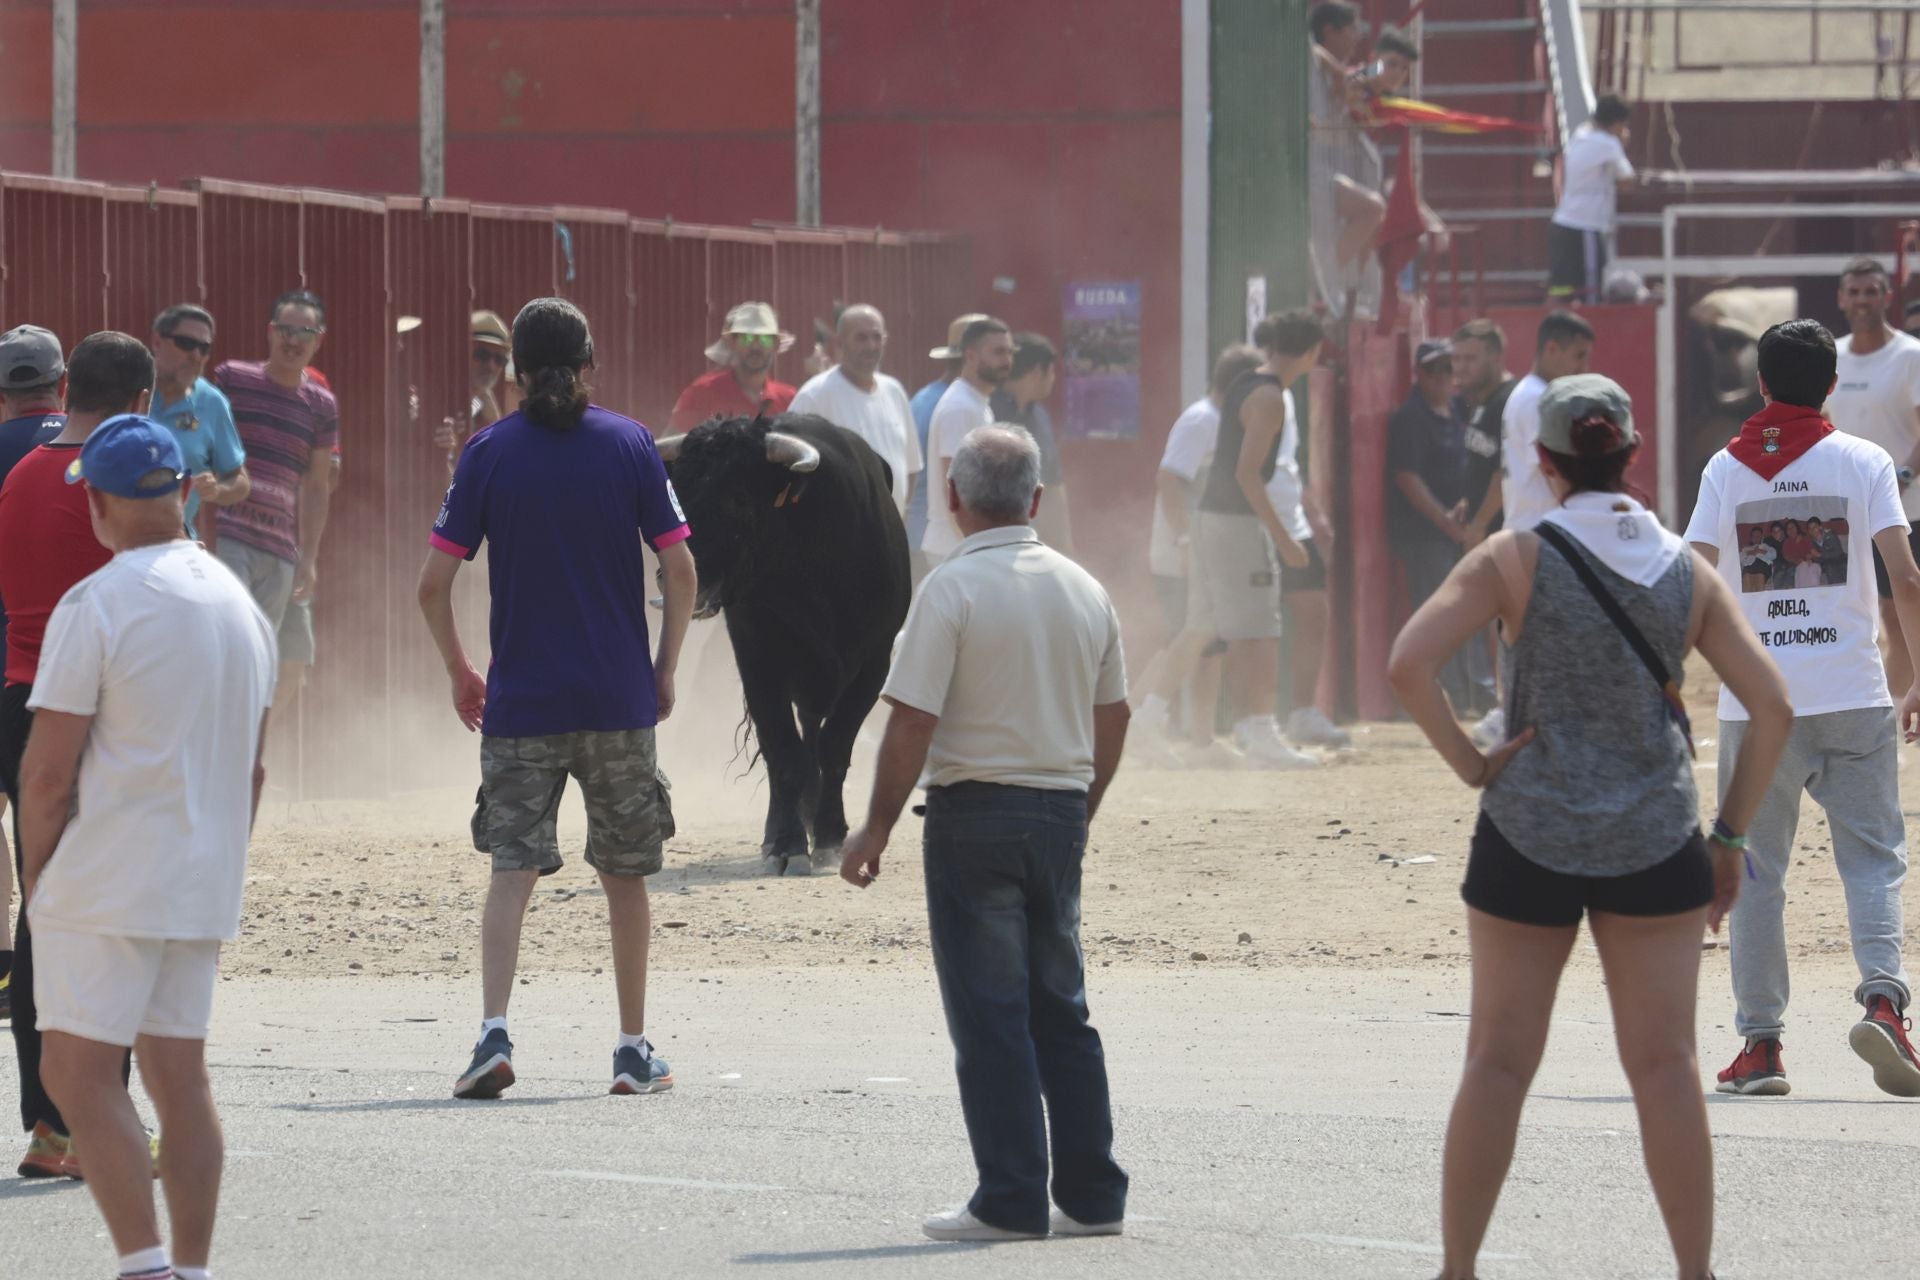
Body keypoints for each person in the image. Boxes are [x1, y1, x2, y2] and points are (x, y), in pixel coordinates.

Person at [1389, 373, 1793, 1280]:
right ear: (1632, 453)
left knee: (1497, 1062)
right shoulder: (1685, 570)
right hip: (1655, 839)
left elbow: (1408, 664)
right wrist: (1727, 838)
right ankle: (1695, 1272)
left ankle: (1459, 1270)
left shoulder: (1513, 555)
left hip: (1527, 830)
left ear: (1545, 459)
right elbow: (1770, 705)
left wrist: (1471, 762)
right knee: (1667, 1064)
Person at [838, 424, 1130, 1243]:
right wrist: (1084, 804)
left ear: (954, 498)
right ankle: (1093, 1194)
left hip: (973, 818)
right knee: (1061, 1008)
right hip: (1058, 810)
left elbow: (912, 722)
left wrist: (876, 827)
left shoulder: (949, 590)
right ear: (1035, 501)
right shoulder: (1085, 588)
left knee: (990, 1012)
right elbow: (1116, 716)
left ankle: (1009, 1198)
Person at [418, 298, 696, 1101]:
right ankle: (632, 1049)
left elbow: (433, 585)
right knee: (625, 875)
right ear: (589, 363)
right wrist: (666, 664)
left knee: (512, 869)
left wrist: (460, 672)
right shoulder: (631, 444)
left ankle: (493, 1035)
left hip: (522, 701)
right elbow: (680, 568)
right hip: (616, 698)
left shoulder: (488, 453)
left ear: (514, 369)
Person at [26, 415, 274, 1280]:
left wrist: (36, 876)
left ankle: (144, 1264)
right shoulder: (242, 607)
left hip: (108, 872)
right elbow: (253, 770)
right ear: (181, 491)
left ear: (97, 502)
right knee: (181, 1078)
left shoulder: (95, 604)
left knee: (75, 1070)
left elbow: (49, 772)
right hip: (200, 873)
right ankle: (192, 1268)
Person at [1685, 317, 1920, 1099]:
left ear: (1759, 384)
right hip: (1854, 691)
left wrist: (1671, 675)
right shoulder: (1865, 460)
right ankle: (1884, 1003)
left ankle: (1761, 1047)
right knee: (1873, 855)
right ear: (1832, 385)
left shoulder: (1725, 468)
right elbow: (1905, 579)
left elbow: (1694, 578)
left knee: (1754, 870)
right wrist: (1918, 675)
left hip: (1758, 706)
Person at [0, 330, 154, 1179]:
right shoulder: (118, 477)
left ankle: (48, 1126)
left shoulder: (20, 476)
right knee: (113, 916)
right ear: (137, 403)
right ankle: (101, 1119)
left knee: (43, 910)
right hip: (96, 709)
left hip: (19, 702)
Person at [1134, 309, 1325, 769]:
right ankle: (1259, 732)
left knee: (1202, 623)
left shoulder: (1246, 384)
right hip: (1237, 525)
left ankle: (1146, 717)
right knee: (1261, 627)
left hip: (1212, 522)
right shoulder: (1270, 397)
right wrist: (1282, 538)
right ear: (1312, 353)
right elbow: (1246, 475)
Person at [1136, 344, 1263, 766]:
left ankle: (1202, 741)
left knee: (1209, 644)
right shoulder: (1200, 421)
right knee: (1185, 639)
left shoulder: (1225, 423)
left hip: (1210, 553)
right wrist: (1186, 545)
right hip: (1182, 554)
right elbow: (1169, 481)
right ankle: (1141, 725)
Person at [212, 290, 338, 698]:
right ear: (270, 332)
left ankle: (244, 756)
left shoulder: (321, 405)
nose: (294, 340)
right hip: (227, 536)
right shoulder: (231, 379)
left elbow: (318, 486)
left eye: (305, 331)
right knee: (224, 648)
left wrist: (310, 556)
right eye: (286, 329)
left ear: (319, 340)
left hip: (280, 553)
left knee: (258, 660)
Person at [0, 324, 67, 1020]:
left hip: (3, 664)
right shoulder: (89, 450)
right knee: (48, 827)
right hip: (64, 677)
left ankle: (1, 966)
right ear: (61, 384)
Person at [1827, 258, 1920, 695]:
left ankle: (1895, 709)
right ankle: (1894, 708)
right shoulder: (1833, 356)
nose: (1863, 300)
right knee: (1876, 617)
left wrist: (1901, 475)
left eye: (1871, 291)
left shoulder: (1910, 356)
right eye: (1855, 291)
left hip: (1908, 509)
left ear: (1887, 296)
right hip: (1845, 512)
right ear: (1841, 298)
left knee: (1902, 610)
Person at [1387, 340, 1471, 707]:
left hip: (1452, 531)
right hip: (1425, 534)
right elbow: (1408, 478)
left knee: (1454, 612)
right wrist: (1444, 521)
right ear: (1419, 373)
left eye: (1447, 369)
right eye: (1433, 370)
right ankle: (1440, 693)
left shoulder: (1455, 410)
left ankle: (1460, 691)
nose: (1441, 377)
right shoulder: (1411, 417)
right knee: (1438, 614)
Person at [787, 304, 923, 517]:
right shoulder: (815, 396)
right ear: (840, 343)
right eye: (861, 338)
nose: (870, 345)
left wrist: (900, 516)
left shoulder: (894, 391)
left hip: (889, 538)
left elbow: (911, 467)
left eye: (876, 337)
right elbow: (789, 471)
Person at [147, 305, 249, 541]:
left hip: (175, 540)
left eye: (204, 348)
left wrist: (217, 490)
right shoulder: (128, 388)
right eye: (185, 343)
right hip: (118, 539)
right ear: (157, 341)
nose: (195, 355)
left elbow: (240, 481)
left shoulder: (212, 403)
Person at [921, 317, 1013, 566]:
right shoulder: (960, 408)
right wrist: (978, 550)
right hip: (957, 550)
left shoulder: (976, 403)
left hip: (964, 548)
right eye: (997, 352)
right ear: (971, 356)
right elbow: (956, 487)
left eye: (1008, 352)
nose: (1007, 361)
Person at [907, 315, 984, 581]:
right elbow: (953, 482)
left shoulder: (927, 398)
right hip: (940, 540)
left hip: (924, 535)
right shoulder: (953, 405)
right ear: (971, 357)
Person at [990, 333, 1076, 555]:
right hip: (991, 538)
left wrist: (1064, 546)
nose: (1054, 379)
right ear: (1037, 371)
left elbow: (1053, 485)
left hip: (1029, 540)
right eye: (1052, 371)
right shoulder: (986, 410)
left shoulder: (1040, 418)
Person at [1548, 94, 1636, 304]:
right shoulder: (1607, 143)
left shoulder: (1581, 134)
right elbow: (1627, 182)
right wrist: (1621, 145)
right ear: (1617, 123)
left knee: (1560, 291)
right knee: (1591, 292)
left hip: (1563, 223)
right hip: (1585, 227)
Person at [667, 301, 797, 433]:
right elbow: (667, 448)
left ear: (775, 345)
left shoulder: (790, 400)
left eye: (765, 339)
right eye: (747, 338)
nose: (756, 346)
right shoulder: (702, 393)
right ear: (732, 343)